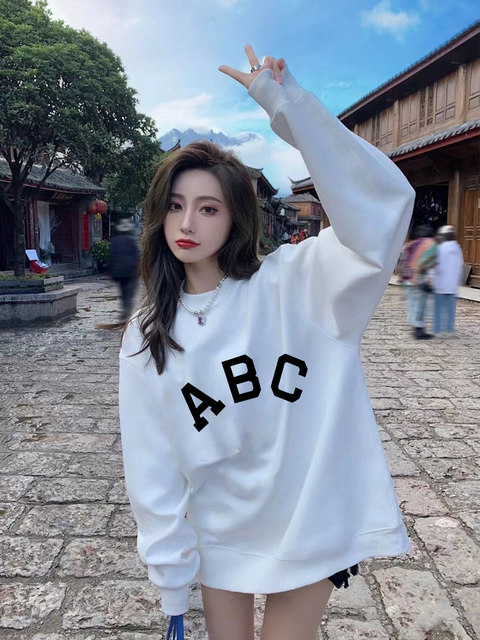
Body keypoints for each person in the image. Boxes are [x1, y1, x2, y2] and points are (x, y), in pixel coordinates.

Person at [119, 45, 414, 640]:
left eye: (208, 208)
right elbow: (152, 465)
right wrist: (171, 581)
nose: (187, 224)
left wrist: (290, 107)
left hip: (310, 523)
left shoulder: (300, 284)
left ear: (234, 217)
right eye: (175, 206)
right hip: (219, 532)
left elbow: (384, 209)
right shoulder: (149, 333)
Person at [433, 225, 463, 337]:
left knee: (439, 310)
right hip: (452, 285)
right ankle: (449, 330)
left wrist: (431, 277)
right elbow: (460, 265)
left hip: (440, 284)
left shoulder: (440, 248)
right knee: (450, 310)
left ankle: (438, 330)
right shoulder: (457, 248)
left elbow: (437, 266)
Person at [108, 218, 140, 322]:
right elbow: (137, 256)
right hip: (131, 272)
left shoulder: (114, 241)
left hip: (118, 272)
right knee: (129, 293)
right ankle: (127, 312)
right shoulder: (132, 240)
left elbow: (111, 257)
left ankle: (124, 311)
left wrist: (111, 272)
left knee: (122, 292)